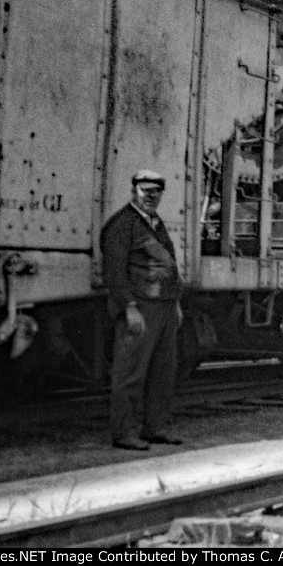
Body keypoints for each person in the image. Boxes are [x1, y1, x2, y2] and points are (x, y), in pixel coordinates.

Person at [100, 170, 184, 451]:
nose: (150, 196)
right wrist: (129, 308)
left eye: (155, 192)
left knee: (163, 371)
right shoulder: (122, 224)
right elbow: (115, 273)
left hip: (164, 306)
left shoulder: (154, 223)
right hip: (140, 306)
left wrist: (176, 304)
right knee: (130, 373)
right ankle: (124, 433)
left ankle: (155, 428)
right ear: (133, 191)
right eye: (145, 191)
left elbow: (168, 265)